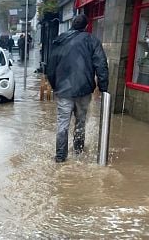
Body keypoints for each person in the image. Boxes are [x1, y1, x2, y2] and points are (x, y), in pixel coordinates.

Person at [47, 14, 109, 163]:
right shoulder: (92, 40)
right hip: (84, 89)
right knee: (80, 122)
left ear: (72, 25)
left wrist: (56, 86)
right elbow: (101, 64)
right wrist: (103, 87)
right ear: (86, 26)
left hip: (64, 90)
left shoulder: (60, 40)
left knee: (63, 124)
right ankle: (78, 152)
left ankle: (60, 157)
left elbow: (50, 68)